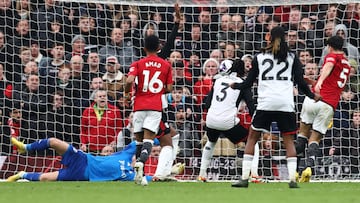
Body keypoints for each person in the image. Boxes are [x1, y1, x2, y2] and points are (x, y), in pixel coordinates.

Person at [229, 26, 321, 189]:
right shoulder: (292, 57)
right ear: (284, 37)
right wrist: (312, 96)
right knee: (289, 141)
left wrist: (236, 85)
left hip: (266, 103)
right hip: (285, 104)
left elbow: (249, 83)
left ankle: (244, 178)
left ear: (269, 37)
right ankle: (292, 180)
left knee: (252, 138)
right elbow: (300, 82)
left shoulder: (259, 57)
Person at [295, 35, 352, 183]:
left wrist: (318, 82)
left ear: (330, 46)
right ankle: (309, 167)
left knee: (302, 133)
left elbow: (329, 66)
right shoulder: (347, 65)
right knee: (315, 137)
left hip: (315, 98)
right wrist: (315, 81)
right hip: (329, 104)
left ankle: (294, 169)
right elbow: (334, 83)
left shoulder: (332, 56)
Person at [198, 59, 258, 182]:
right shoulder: (242, 83)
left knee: (211, 141)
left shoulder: (218, 81)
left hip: (211, 120)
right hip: (227, 122)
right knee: (252, 142)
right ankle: (254, 174)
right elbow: (251, 105)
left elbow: (207, 103)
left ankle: (201, 174)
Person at [124, 35, 173, 185]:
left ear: (144, 48)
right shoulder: (166, 65)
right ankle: (141, 163)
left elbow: (129, 80)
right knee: (148, 140)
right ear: (159, 48)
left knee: (138, 140)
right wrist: (157, 92)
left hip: (138, 105)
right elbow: (169, 88)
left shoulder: (138, 63)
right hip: (154, 107)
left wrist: (126, 94)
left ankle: (141, 177)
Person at [6, 137, 152, 183]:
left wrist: (170, 173)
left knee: (45, 178)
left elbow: (152, 178)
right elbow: (148, 140)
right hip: (84, 159)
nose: (138, 161)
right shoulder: (127, 154)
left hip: (83, 175)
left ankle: (21, 175)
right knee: (53, 142)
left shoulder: (133, 176)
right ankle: (25, 147)